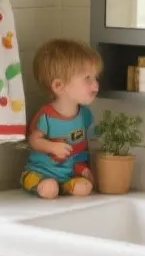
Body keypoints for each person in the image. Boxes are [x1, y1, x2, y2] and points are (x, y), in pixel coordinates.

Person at [24, 38, 100, 198]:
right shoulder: (46, 116)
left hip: (70, 173)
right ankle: (39, 184)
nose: (95, 85)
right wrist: (52, 147)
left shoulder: (85, 115)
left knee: (83, 187)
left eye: (95, 78)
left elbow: (84, 146)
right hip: (42, 172)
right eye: (87, 79)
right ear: (59, 86)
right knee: (47, 187)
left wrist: (84, 169)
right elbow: (33, 140)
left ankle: (66, 186)